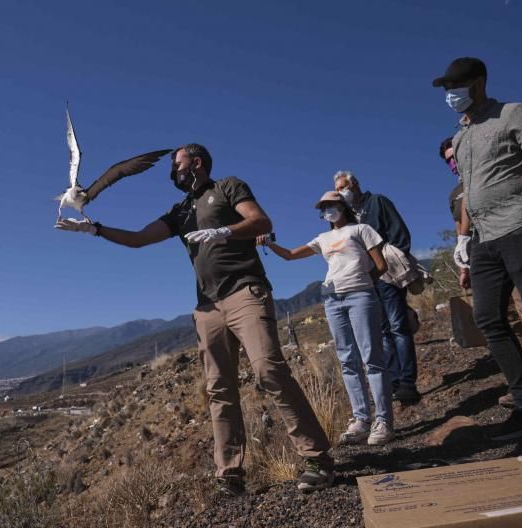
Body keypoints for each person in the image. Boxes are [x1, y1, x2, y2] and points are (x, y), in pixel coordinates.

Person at [55, 143, 334, 495]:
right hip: (207, 306)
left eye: (177, 164)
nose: (173, 171)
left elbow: (262, 221)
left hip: (244, 291)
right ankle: (230, 473)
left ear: (196, 162)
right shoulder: (180, 210)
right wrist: (94, 230)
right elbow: (139, 239)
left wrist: (226, 231)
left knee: (269, 370)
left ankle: (317, 458)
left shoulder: (228, 187)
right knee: (219, 388)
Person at [434, 57, 522, 433]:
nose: (451, 94)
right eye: (447, 88)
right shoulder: (460, 137)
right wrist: (463, 237)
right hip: (484, 238)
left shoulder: (514, 114)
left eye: (456, 86)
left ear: (478, 83)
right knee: (488, 318)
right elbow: (469, 191)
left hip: (521, 225)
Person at [259, 191, 395, 446]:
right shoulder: (322, 239)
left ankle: (384, 420)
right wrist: (268, 243)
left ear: (343, 206)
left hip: (360, 295)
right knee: (347, 359)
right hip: (332, 299)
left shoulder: (362, 230)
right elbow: (290, 255)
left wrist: (360, 283)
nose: (327, 210)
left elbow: (381, 265)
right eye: (323, 208)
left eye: (331, 205)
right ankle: (361, 420)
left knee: (371, 358)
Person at [440, 137, 522, 410]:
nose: (454, 163)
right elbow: (460, 226)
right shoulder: (455, 194)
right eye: (448, 160)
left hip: (515, 243)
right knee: (502, 321)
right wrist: (463, 265)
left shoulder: (493, 172)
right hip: (482, 259)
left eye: (455, 156)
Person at [333, 171, 420, 404]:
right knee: (382, 331)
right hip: (366, 280)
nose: (342, 192)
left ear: (355, 184)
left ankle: (407, 382)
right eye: (338, 189)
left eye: (343, 187)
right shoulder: (346, 217)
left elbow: (400, 233)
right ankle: (393, 381)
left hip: (388, 274)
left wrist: (392, 258)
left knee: (398, 326)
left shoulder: (378, 202)